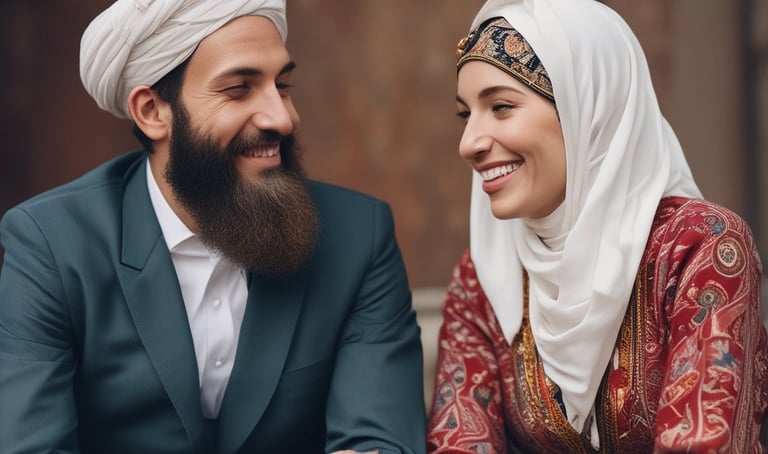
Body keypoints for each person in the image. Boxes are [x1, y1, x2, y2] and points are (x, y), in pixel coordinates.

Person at [0, 1, 426, 453]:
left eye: (282, 85)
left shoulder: (359, 236)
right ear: (152, 111)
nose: (282, 118)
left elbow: (380, 441)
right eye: (239, 89)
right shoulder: (51, 242)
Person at [426, 0, 768, 452]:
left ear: (587, 110)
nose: (468, 143)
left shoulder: (700, 248)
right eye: (465, 115)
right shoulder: (484, 275)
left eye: (502, 107)